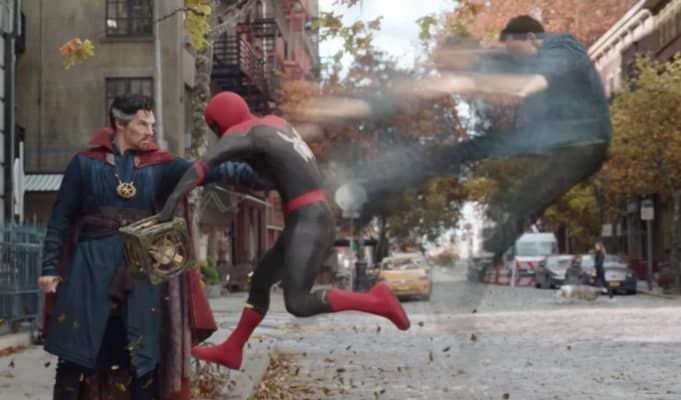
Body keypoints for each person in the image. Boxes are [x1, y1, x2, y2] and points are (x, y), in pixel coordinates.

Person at [158, 91, 410, 370]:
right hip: (307, 217)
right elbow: (272, 174)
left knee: (298, 302)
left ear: (220, 124)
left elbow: (200, 168)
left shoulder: (244, 132)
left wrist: (168, 207)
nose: (220, 137)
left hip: (309, 220)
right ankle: (232, 349)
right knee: (261, 281)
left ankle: (375, 300)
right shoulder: (277, 125)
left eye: (216, 130)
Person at [39, 94, 268, 400]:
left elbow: (210, 170)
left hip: (140, 272)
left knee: (142, 357)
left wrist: (267, 174)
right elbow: (60, 219)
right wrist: (49, 268)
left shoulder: (161, 165)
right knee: (75, 356)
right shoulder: (85, 164)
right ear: (120, 124)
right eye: (143, 124)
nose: (151, 131)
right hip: (89, 269)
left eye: (152, 124)